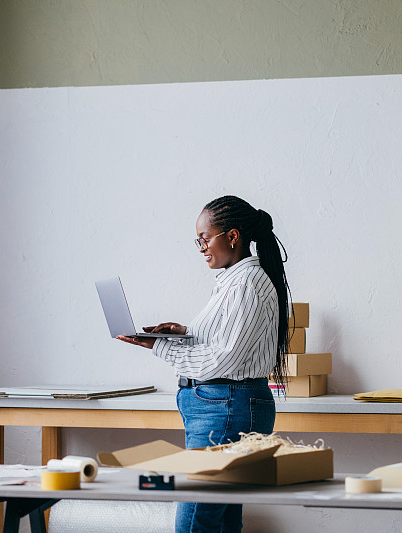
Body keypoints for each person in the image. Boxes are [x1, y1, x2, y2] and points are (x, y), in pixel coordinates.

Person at [117, 194, 291, 532]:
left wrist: (159, 347)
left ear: (233, 236)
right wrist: (186, 332)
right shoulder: (233, 281)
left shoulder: (246, 284)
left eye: (204, 238)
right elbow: (228, 341)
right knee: (221, 521)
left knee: (195, 523)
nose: (200, 248)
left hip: (225, 409)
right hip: (221, 407)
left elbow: (222, 358)